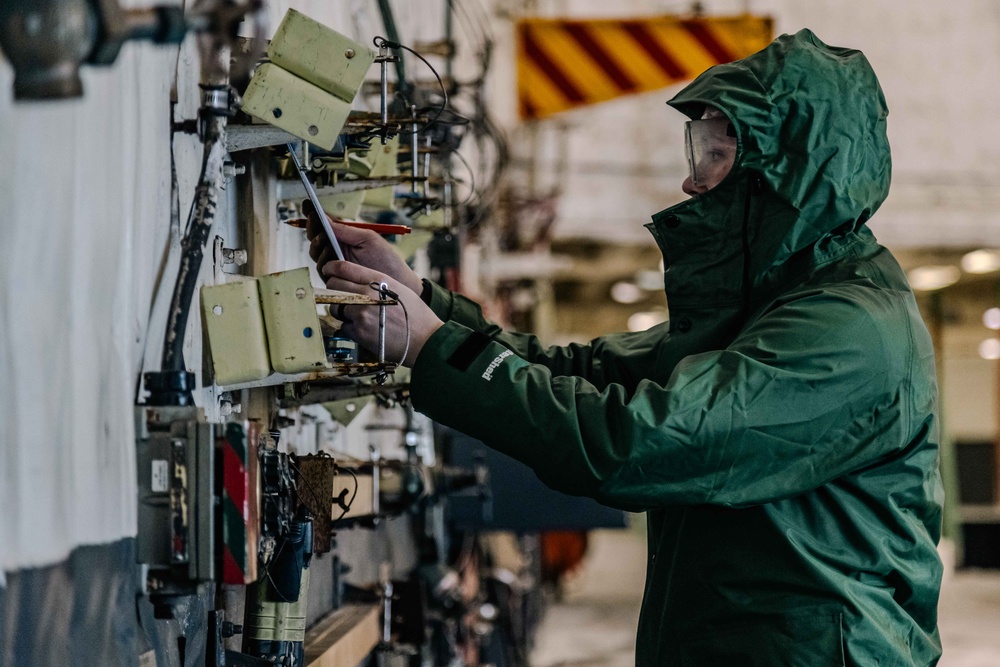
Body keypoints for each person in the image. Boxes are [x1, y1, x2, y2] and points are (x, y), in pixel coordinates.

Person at [308, 29, 943, 666]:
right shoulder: (770, 309)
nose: (694, 182)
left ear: (782, 176)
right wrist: (422, 299)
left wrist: (431, 345)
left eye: (716, 155)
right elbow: (583, 371)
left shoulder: (848, 330)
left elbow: (639, 439)